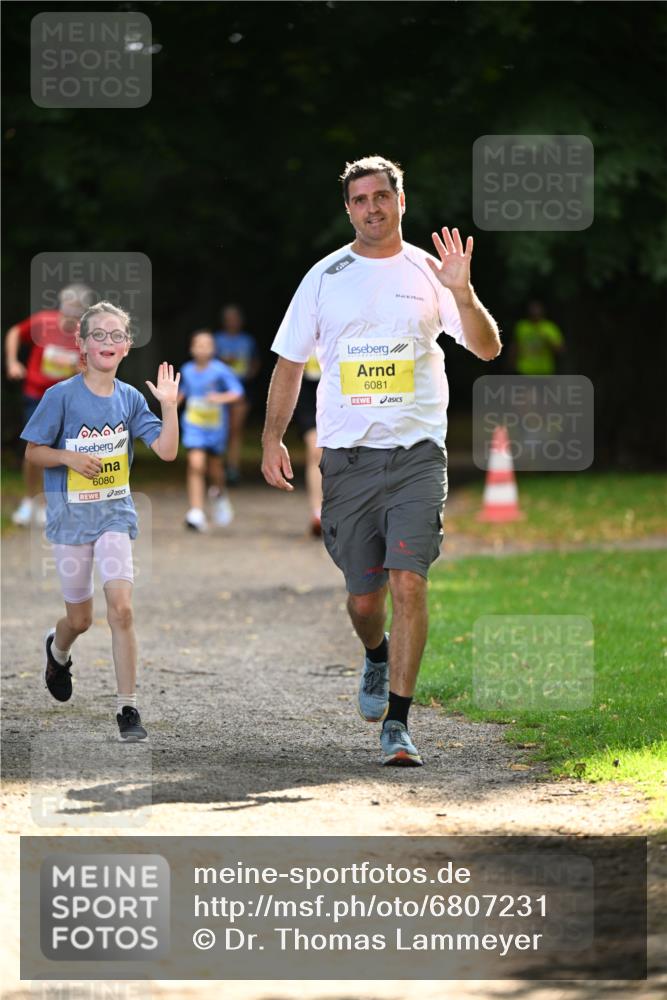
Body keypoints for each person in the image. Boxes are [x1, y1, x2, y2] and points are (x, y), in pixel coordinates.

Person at [261, 155, 501, 766]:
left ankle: (398, 723)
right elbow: (290, 363)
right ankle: (374, 654)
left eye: (381, 196)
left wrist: (464, 292)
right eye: (360, 199)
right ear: (349, 209)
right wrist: (272, 438)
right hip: (349, 460)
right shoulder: (324, 276)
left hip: (419, 454)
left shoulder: (430, 271)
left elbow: (487, 346)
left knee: (409, 581)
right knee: (365, 601)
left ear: (401, 200)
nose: (372, 207)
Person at [20, 301, 180, 742]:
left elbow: (166, 451)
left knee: (122, 611)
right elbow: (33, 452)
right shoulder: (60, 397)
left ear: (127, 346)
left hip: (114, 515)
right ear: (83, 344)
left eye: (117, 335)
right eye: (99, 335)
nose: (108, 342)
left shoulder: (130, 399)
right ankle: (58, 648)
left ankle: (127, 709)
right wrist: (69, 456)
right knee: (81, 619)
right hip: (71, 522)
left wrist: (169, 406)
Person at [5, 284, 95, 526]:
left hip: (65, 399)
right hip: (36, 395)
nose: (70, 321)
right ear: (60, 309)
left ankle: (47, 504)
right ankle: (28, 500)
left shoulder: (85, 335)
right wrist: (13, 362)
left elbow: (92, 367)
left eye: (77, 316)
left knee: (57, 451)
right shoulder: (44, 322)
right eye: (68, 314)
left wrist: (82, 370)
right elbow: (14, 332)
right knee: (34, 448)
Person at [178, 329, 244, 532]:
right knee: (195, 463)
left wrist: (220, 398)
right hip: (193, 425)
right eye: (198, 345)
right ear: (191, 349)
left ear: (213, 349)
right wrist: (170, 402)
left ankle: (219, 494)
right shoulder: (187, 370)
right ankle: (196, 511)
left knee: (215, 469)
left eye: (206, 345)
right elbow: (183, 392)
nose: (202, 349)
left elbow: (238, 393)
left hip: (215, 427)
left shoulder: (220, 370)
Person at [214, 304, 260, 484]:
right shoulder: (216, 339)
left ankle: (233, 468)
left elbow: (255, 361)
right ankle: (217, 467)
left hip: (242, 389)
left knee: (235, 430)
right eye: (229, 318)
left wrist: (250, 373)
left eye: (235, 318)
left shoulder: (248, 340)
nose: (232, 322)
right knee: (220, 430)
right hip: (219, 391)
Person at [293, 354, 323, 536]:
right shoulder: (300, 326)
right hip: (307, 393)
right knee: (315, 451)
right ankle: (317, 512)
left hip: (341, 389)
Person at [512, 300, 564, 375]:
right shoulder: (522, 326)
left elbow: (560, 349)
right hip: (525, 369)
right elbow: (515, 346)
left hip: (544, 371)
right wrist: (511, 362)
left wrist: (548, 341)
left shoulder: (549, 328)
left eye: (537, 310)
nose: (535, 313)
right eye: (533, 310)